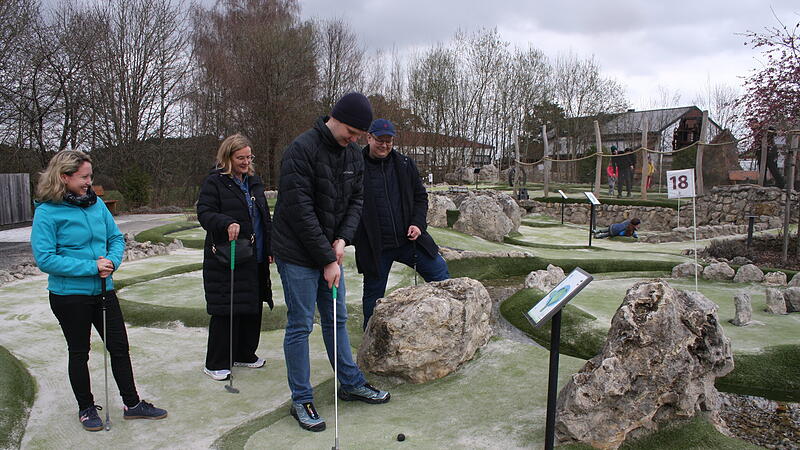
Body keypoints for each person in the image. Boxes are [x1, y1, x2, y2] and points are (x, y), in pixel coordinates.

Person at [271, 92, 391, 432]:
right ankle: (301, 398)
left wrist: (342, 240)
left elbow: (356, 201)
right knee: (300, 324)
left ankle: (351, 383)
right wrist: (327, 257)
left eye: (358, 134)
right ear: (335, 118)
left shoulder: (353, 155)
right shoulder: (301, 150)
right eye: (351, 131)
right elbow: (300, 210)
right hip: (296, 252)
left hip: (330, 251)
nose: (354, 140)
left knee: (336, 319)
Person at [30, 150, 167, 432]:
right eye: (84, 177)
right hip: (69, 295)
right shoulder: (46, 211)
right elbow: (46, 258)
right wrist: (91, 266)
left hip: (104, 289)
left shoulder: (96, 204)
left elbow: (115, 237)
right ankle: (86, 408)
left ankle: (132, 404)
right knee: (79, 352)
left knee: (119, 347)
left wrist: (113, 262)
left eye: (90, 176)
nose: (89, 182)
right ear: (64, 177)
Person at [354, 118, 450, 330]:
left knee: (440, 272)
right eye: (380, 140)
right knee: (373, 295)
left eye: (389, 141)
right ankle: (370, 337)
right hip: (375, 246)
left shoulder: (405, 164)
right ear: (369, 138)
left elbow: (420, 197)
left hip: (409, 240)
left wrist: (418, 224)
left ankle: (449, 323)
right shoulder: (355, 167)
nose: (385, 145)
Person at [197, 134, 273, 381]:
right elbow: (205, 213)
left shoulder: (253, 181)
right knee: (226, 308)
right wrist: (226, 221)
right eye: (240, 158)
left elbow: (263, 217)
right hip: (227, 255)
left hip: (256, 254)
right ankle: (216, 362)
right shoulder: (215, 182)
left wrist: (270, 247)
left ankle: (244, 353)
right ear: (227, 157)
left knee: (252, 305)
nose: (245, 162)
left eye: (248, 157)